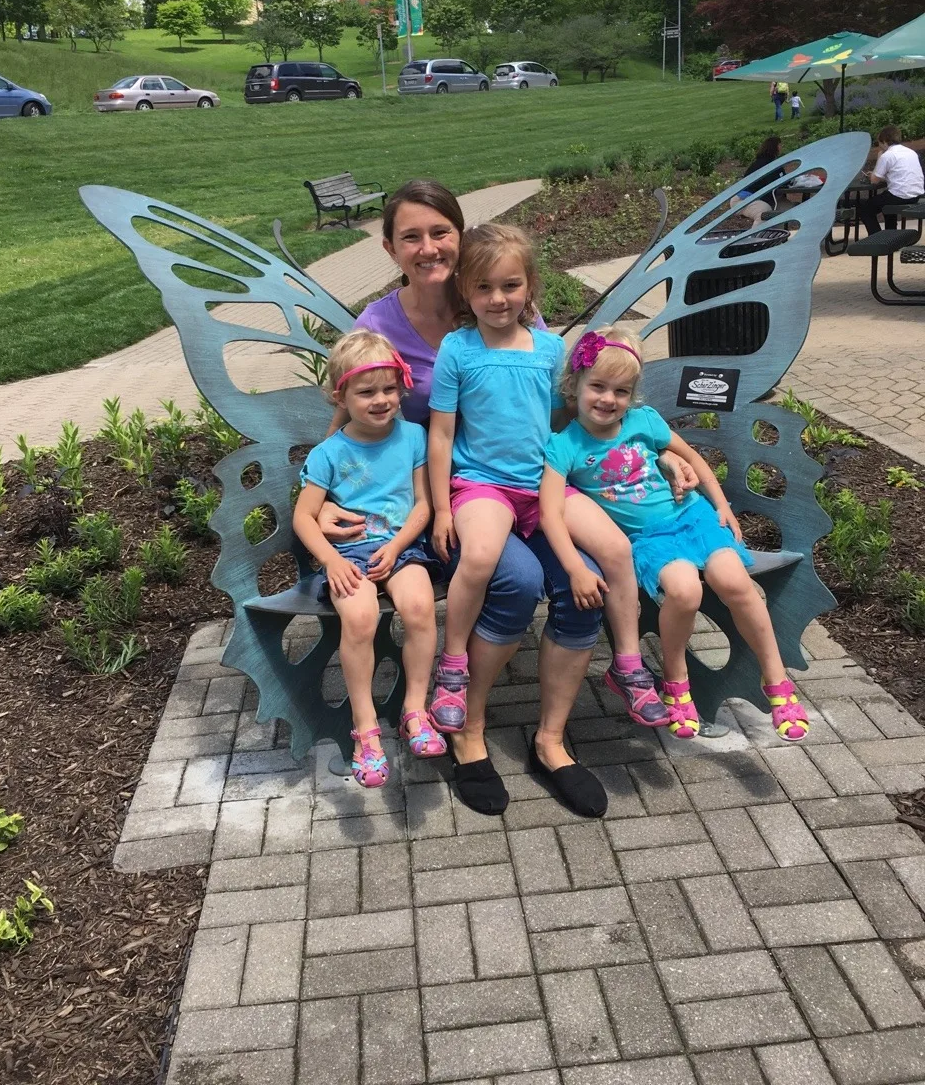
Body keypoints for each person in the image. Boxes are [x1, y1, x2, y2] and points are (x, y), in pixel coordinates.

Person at [317, 179, 695, 816]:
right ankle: (467, 733)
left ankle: (552, 741)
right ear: (390, 248)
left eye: (441, 232)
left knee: (593, 577)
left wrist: (657, 451)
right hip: (449, 499)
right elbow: (353, 403)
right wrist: (323, 493)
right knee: (514, 582)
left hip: (538, 486)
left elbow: (585, 404)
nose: (429, 247)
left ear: (461, 242)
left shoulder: (528, 329)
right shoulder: (381, 326)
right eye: (412, 236)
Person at [428, 223, 669, 743]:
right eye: (484, 287)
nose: (498, 299)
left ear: (530, 285)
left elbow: (580, 421)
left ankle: (627, 662)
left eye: (510, 285)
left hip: (544, 485)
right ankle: (451, 668)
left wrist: (656, 456)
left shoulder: (549, 349)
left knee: (615, 548)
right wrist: (443, 509)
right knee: (481, 554)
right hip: (482, 486)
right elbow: (442, 433)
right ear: (465, 290)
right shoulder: (458, 349)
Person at [540, 326, 810, 741]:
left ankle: (775, 679)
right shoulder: (565, 446)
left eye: (622, 391)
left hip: (694, 516)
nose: (609, 399)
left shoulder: (644, 421)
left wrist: (720, 504)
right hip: (649, 539)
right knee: (685, 592)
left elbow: (693, 459)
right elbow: (551, 513)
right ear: (574, 385)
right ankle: (675, 679)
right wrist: (574, 565)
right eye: (598, 386)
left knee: (735, 582)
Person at [292, 330, 445, 788]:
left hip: (401, 546)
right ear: (340, 396)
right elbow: (304, 517)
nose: (381, 400)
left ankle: (415, 712)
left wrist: (398, 547)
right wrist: (331, 562)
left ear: (402, 387)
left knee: (419, 608)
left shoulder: (414, 437)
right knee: (358, 619)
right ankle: (366, 729)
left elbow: (423, 504)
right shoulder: (329, 453)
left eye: (389, 389)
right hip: (348, 553)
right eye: (366, 392)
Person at [859, 125, 925, 238]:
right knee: (887, 201)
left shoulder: (888, 155)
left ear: (884, 141)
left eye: (879, 143)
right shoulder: (910, 152)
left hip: (900, 196)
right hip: (916, 194)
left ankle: (878, 238)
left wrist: (879, 157)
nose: (879, 146)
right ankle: (891, 235)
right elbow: (899, 175)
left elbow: (874, 181)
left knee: (865, 209)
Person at [730, 135, 785, 226]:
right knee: (764, 213)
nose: (781, 147)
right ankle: (757, 239)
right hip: (742, 200)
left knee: (784, 209)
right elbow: (776, 183)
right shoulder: (766, 165)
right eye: (780, 145)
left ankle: (778, 237)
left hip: (755, 198)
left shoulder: (770, 163)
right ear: (775, 147)